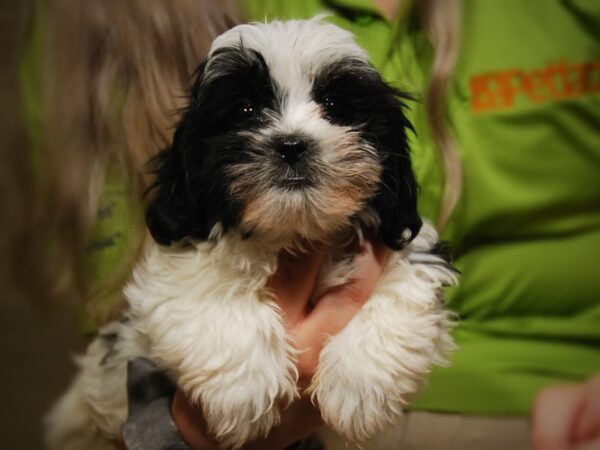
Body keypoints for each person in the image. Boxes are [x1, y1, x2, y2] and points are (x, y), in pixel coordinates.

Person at [20, 0, 600, 449]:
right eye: (248, 113)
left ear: (387, 156)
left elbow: (414, 280)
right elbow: (141, 328)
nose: (293, 136)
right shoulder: (119, 25)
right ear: (195, 161)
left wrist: (368, 352)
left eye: (336, 108)